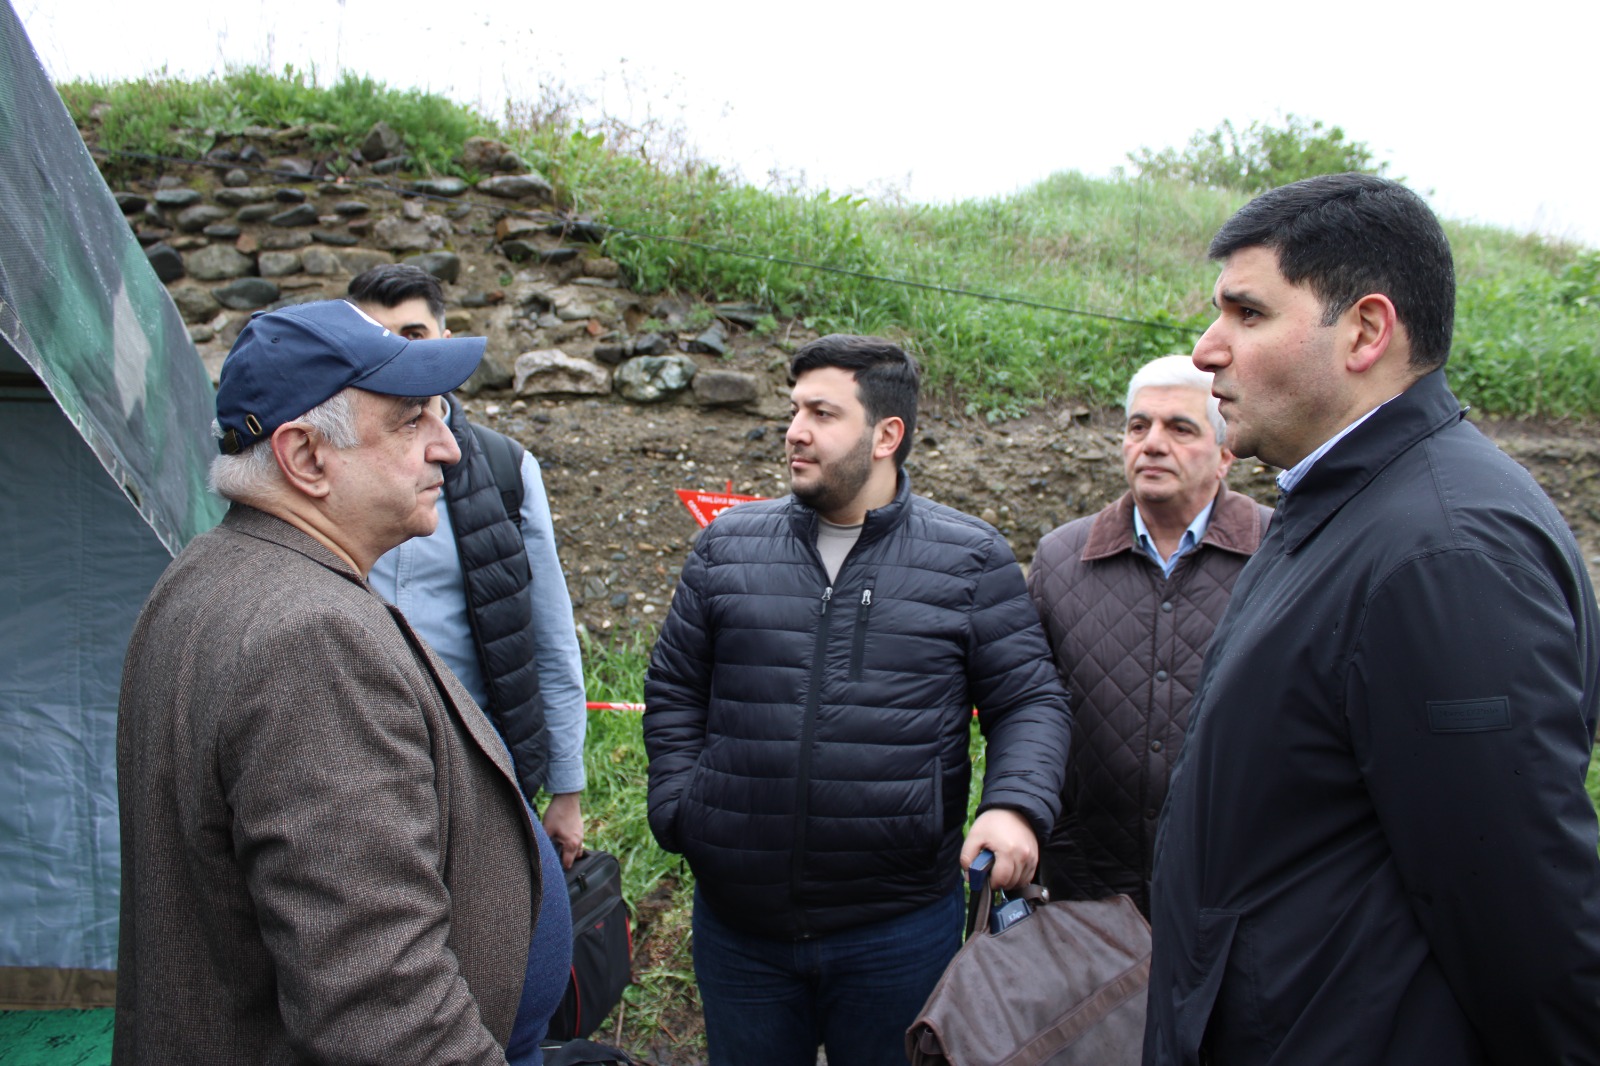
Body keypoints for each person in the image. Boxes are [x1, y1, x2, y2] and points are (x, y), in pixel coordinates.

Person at [1144, 174, 1600, 1065]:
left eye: (1247, 313)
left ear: (1365, 330)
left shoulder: (1445, 553)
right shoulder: (1346, 506)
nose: (1206, 351)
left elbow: (1520, 917)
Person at [115, 300, 558, 1064]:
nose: (448, 447)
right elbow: (382, 1010)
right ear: (306, 458)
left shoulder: (207, 572)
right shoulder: (309, 640)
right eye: (412, 420)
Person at [643, 334, 1072, 1066]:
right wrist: (683, 810)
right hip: (740, 931)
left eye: (821, 412)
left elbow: (1030, 700)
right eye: (793, 410)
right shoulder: (728, 547)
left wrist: (1013, 806)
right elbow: (675, 688)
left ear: (886, 435)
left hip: (898, 930)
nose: (794, 430)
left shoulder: (968, 558)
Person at [349, 266, 582, 1061]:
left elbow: (551, 636)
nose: (396, 355)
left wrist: (568, 789)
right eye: (375, 337)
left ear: (444, 341)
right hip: (359, 769)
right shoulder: (334, 462)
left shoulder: (502, 467)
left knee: (499, 970)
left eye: (412, 334)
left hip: (484, 772)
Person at [1027, 354, 1270, 917]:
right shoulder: (1061, 559)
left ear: (1226, 452)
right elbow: (1028, 710)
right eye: (1139, 426)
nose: (1152, 443)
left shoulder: (1279, 553)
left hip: (1237, 896)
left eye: (1180, 428)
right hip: (1088, 891)